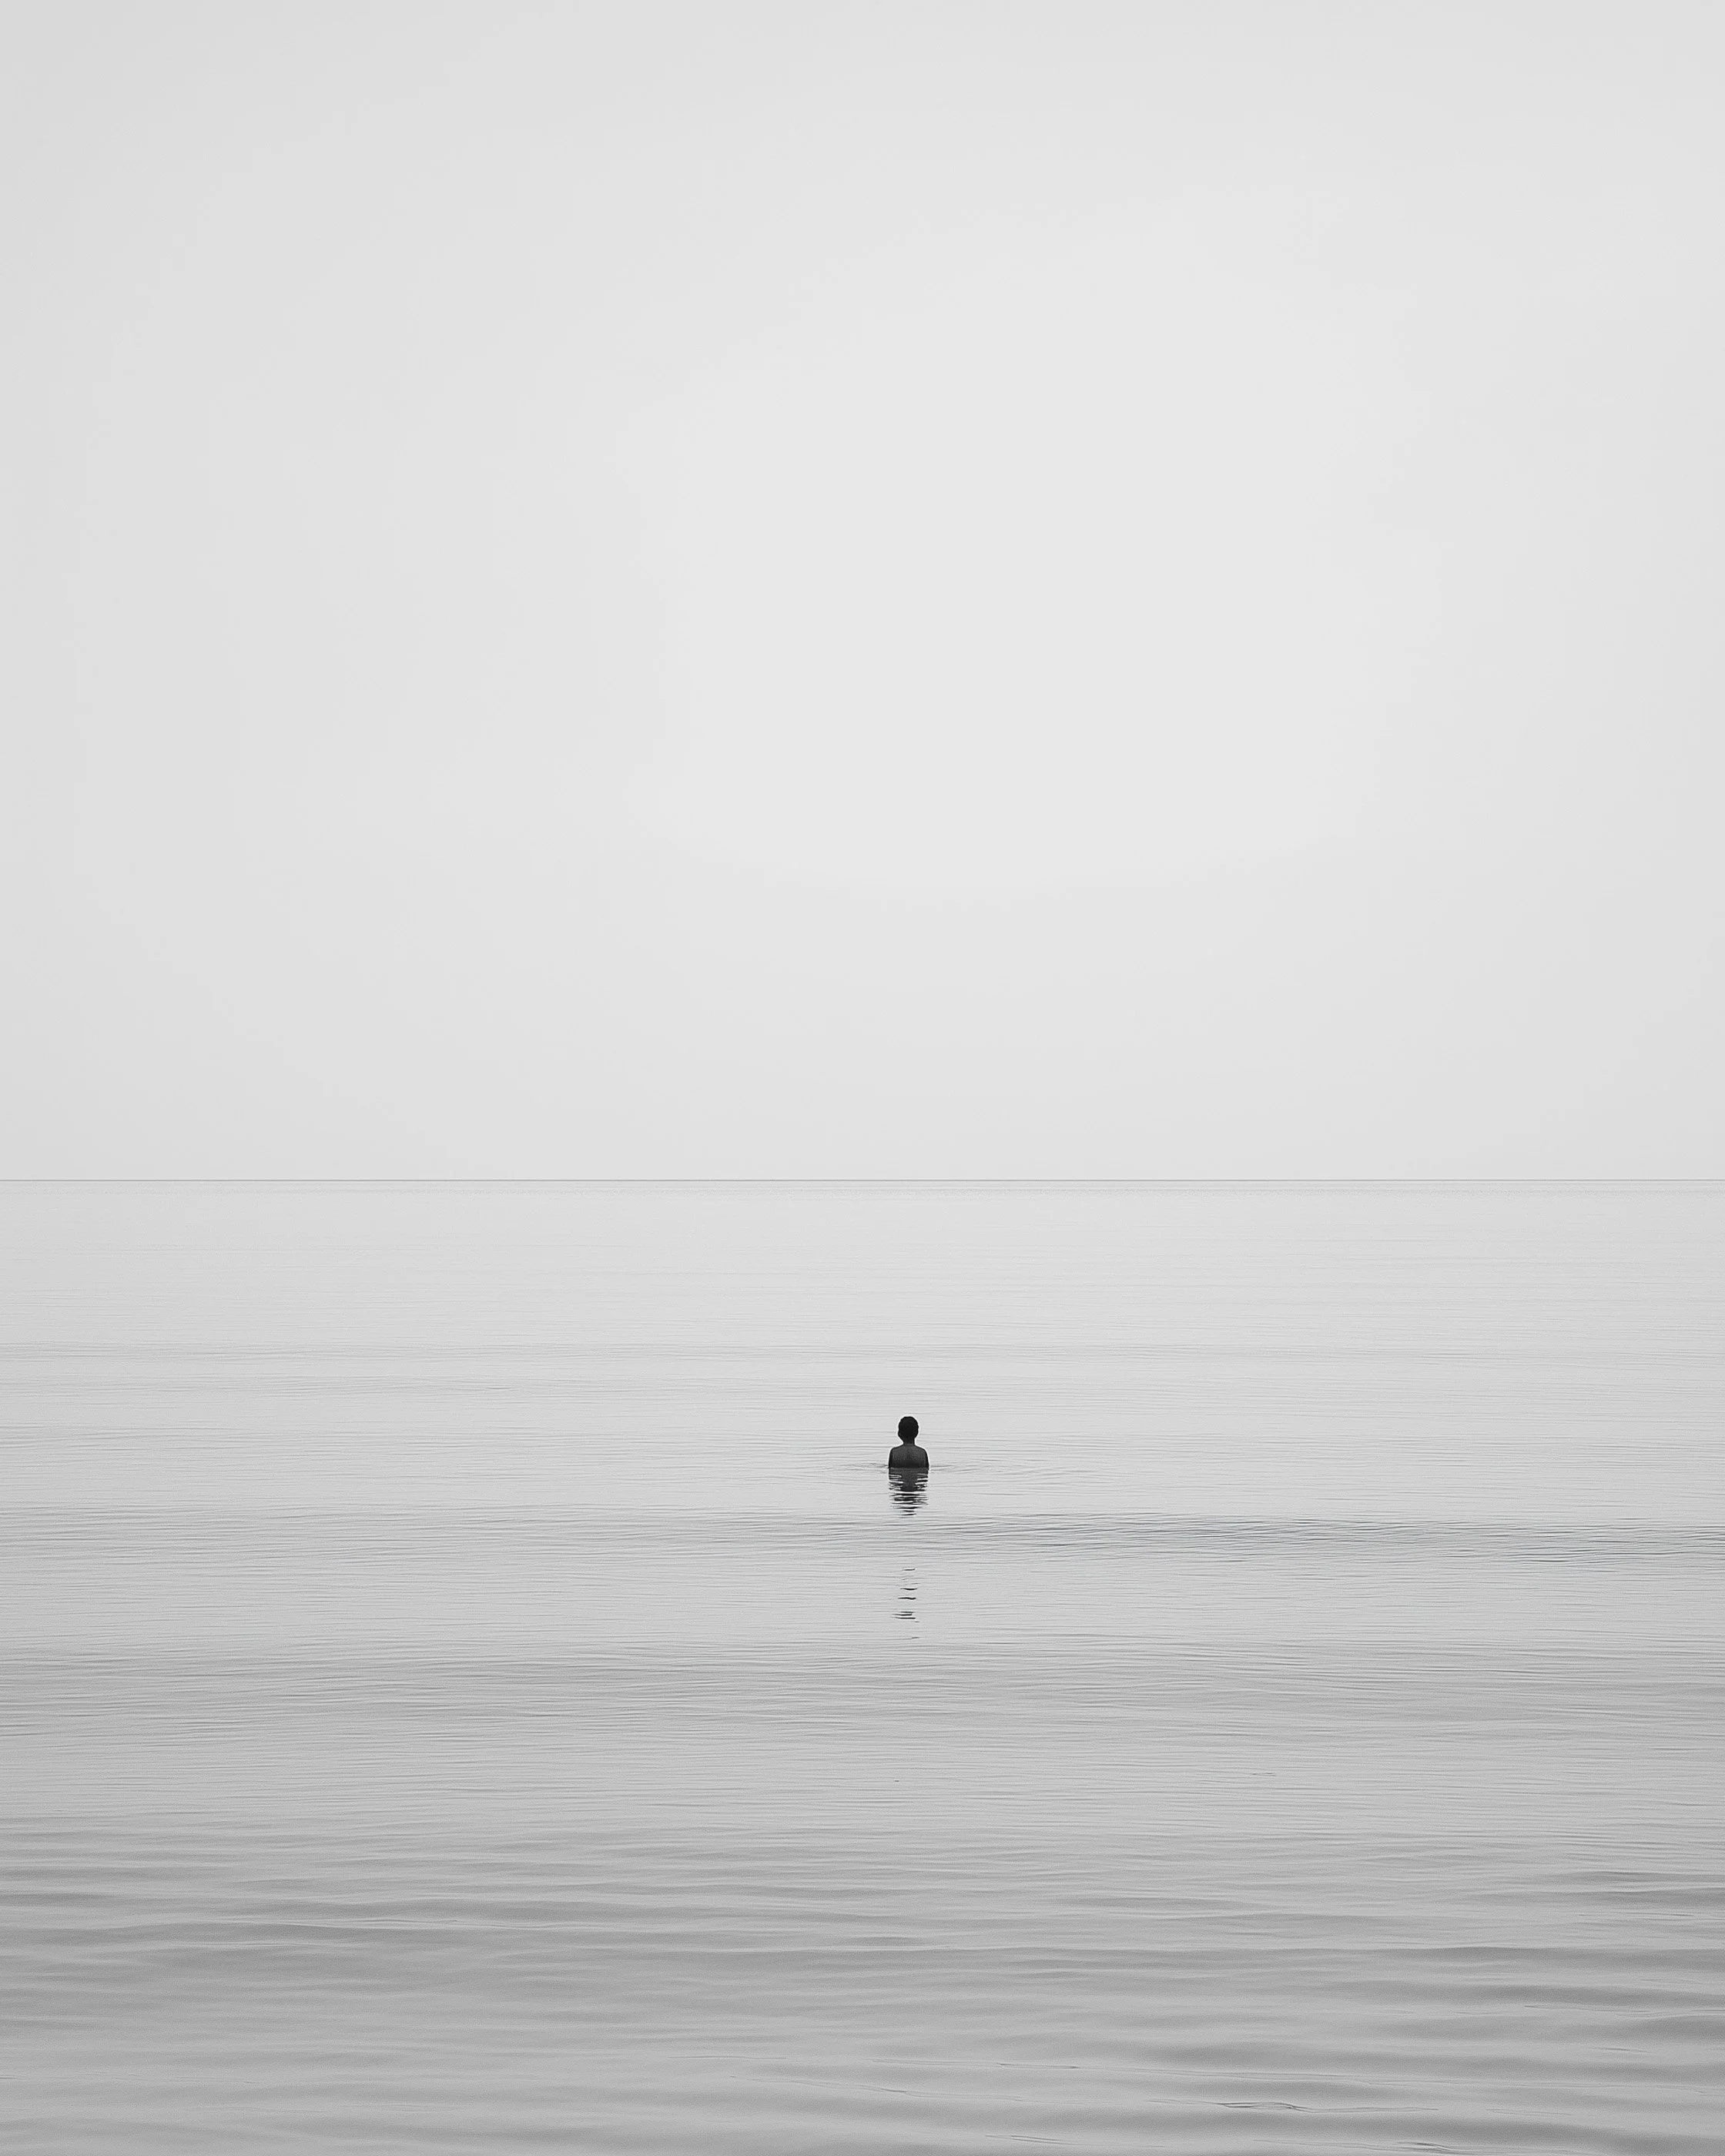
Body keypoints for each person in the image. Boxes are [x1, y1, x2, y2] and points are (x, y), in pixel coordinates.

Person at [888, 1414, 929, 1483]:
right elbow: (924, 1478)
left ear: (899, 1434)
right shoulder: (922, 1453)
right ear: (917, 1433)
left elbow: (892, 1477)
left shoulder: (894, 1452)